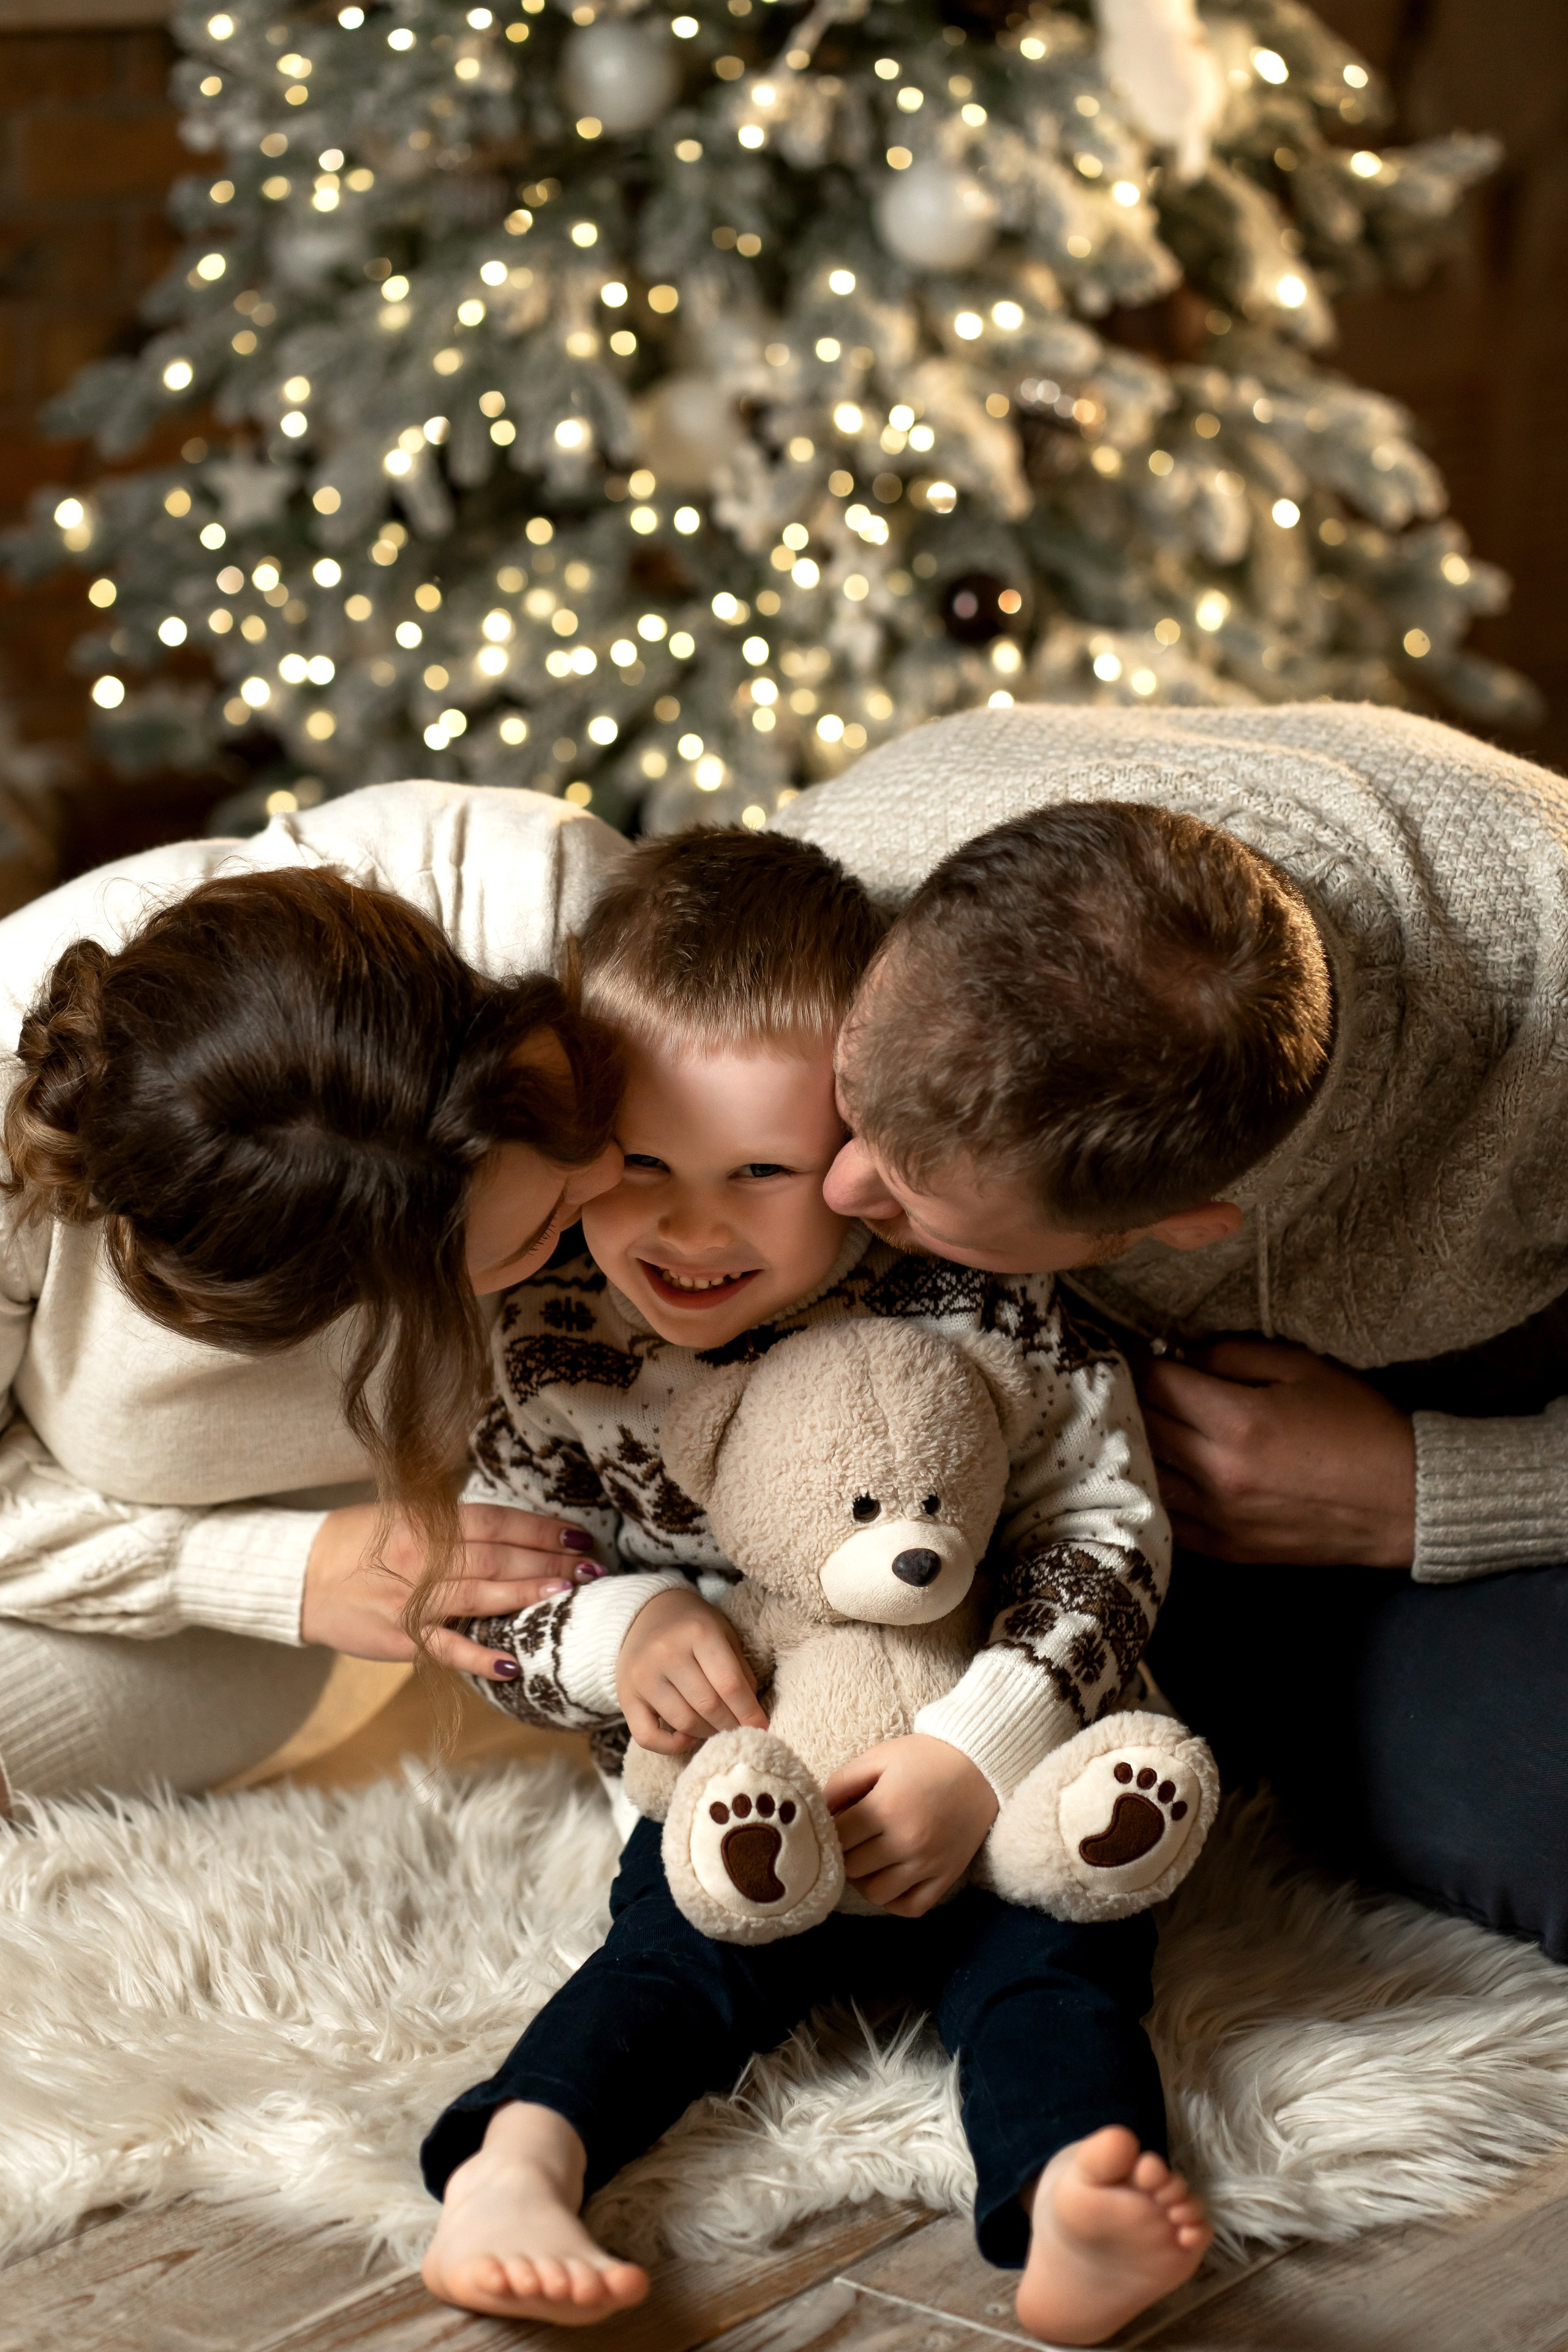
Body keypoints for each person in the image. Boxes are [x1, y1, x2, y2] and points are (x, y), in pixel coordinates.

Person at [419, 828, 1210, 2347]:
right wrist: (611, 1627)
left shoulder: (975, 1295)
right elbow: (483, 1600)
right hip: (742, 1803)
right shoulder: (547, 1331)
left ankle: (1069, 2204)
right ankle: (516, 2165)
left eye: (759, 1173)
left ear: (853, 1148)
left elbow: (1107, 1535)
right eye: (638, 1163)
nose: (688, 1228)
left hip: (991, 1785)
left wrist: (972, 1757)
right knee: (663, 1966)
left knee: (1059, 1968)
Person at [778, 698, 1568, 1959]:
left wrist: (1424, 1494)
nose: (837, 1195)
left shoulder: (1545, 991)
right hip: (1095, 1459)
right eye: (847, 1108)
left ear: (1189, 1226)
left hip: (1479, 1396)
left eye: (919, 1209)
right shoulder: (857, 860)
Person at [0, 781, 633, 1809]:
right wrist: (275, 1572)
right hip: (180, 1575)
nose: (620, 1178)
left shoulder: (551, 902)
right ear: (324, 1306)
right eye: (555, 1223)